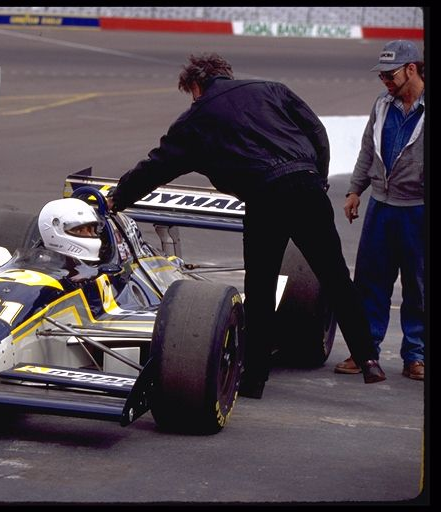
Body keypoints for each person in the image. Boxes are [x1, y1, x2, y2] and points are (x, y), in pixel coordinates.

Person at [106, 53, 386, 399]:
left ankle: (254, 379)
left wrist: (117, 199)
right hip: (306, 187)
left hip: (265, 197)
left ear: (196, 85)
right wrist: (318, 177)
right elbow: (316, 130)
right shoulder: (273, 90)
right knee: (336, 277)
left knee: (261, 287)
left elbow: (157, 166)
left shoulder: (196, 118)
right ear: (227, 74)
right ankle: (369, 358)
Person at [335, 40, 425, 381]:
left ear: (412, 69)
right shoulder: (382, 105)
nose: (385, 81)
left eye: (390, 74)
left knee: (418, 286)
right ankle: (364, 351)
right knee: (370, 282)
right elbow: (367, 151)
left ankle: (415, 355)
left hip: (418, 210)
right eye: (382, 76)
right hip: (381, 208)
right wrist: (355, 190)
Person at [38, 197, 105, 262]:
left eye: (90, 230)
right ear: (55, 230)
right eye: (79, 230)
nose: (89, 234)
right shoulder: (36, 270)